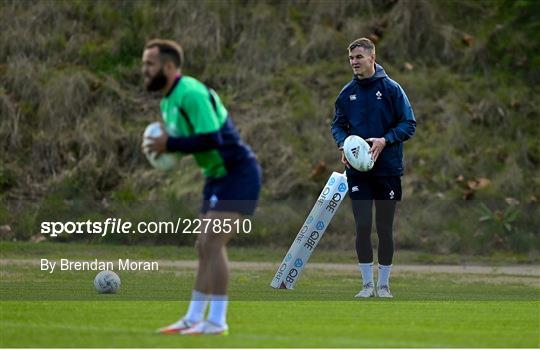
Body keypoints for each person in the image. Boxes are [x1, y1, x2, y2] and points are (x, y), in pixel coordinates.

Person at [141, 39, 262, 335]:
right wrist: (168, 150)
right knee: (203, 246)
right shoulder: (168, 101)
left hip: (238, 172)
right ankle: (193, 317)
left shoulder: (191, 93)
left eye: (149, 64)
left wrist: (169, 144)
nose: (144, 70)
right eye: (144, 64)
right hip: (216, 176)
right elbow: (190, 144)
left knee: (212, 242)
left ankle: (217, 321)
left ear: (168, 66)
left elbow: (212, 139)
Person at [331, 38, 416, 298]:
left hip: (388, 169)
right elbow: (337, 126)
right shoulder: (347, 94)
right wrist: (343, 145)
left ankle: (384, 285)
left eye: (358, 56)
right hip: (359, 172)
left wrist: (385, 140)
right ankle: (367, 285)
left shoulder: (392, 89)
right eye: (351, 58)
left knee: (384, 227)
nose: (354, 62)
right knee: (363, 225)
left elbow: (408, 124)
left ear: (372, 57)